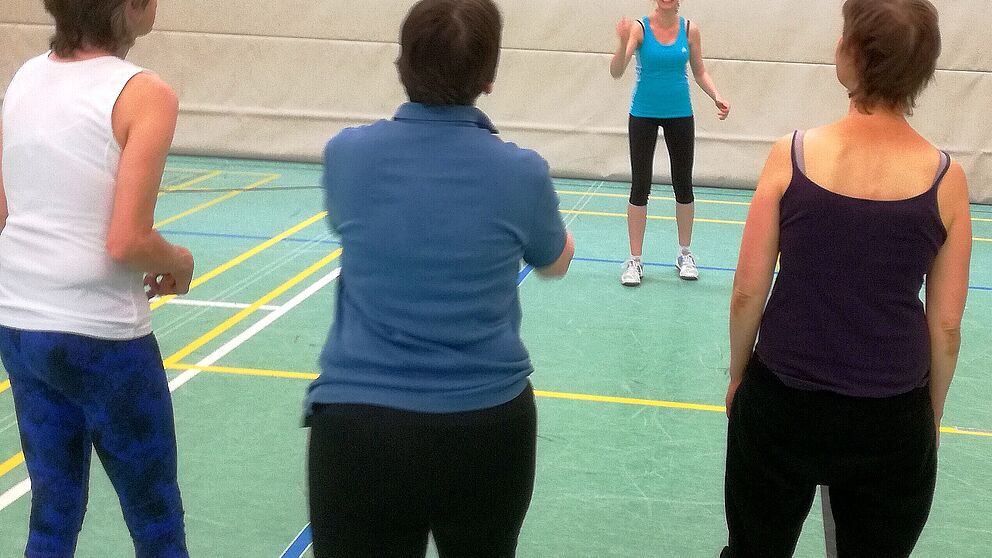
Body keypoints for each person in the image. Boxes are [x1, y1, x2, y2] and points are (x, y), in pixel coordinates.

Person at [303, 0, 574, 556]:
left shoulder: (347, 155)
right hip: (487, 429)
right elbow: (555, 260)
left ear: (402, 65)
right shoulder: (522, 171)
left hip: (360, 429)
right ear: (489, 76)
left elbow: (355, 224)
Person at [722, 0, 971, 556]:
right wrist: (928, 415)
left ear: (853, 56)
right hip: (891, 417)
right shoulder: (947, 181)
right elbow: (947, 327)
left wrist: (739, 377)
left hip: (782, 402)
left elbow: (747, 293)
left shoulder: (789, 156)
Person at [0, 0, 194, 556]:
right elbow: (127, 241)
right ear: (131, 6)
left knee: (53, 510)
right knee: (155, 516)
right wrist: (178, 261)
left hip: (19, 323)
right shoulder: (144, 93)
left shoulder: (25, 78)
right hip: (102, 337)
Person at [610, 0, 730, 285]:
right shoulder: (639, 29)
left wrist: (717, 95)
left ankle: (685, 254)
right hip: (643, 113)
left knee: (683, 184)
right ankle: (635, 260)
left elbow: (699, 71)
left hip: (680, 113)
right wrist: (623, 42)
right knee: (640, 185)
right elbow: (617, 71)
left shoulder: (689, 30)